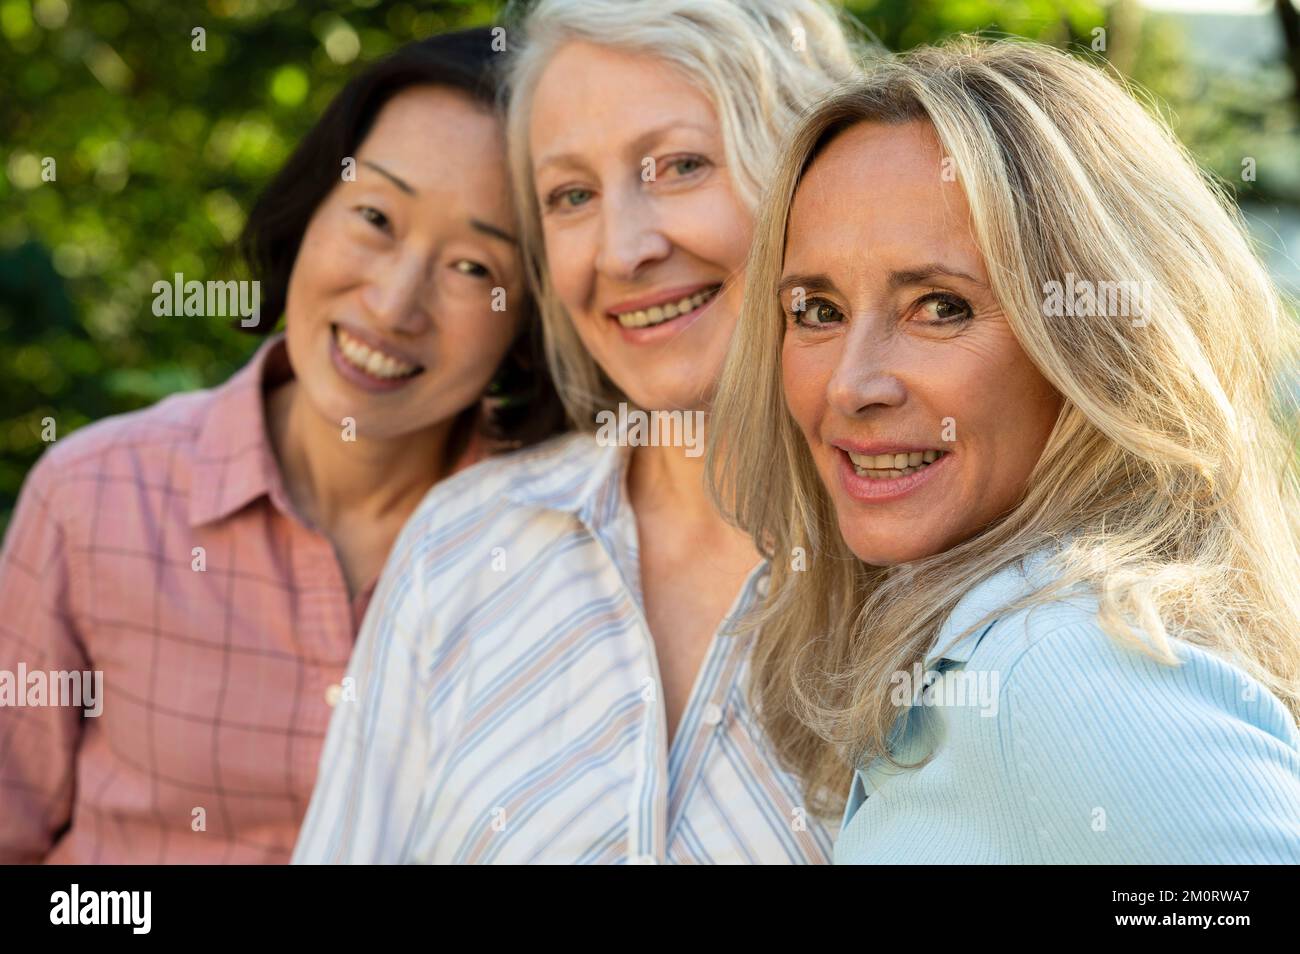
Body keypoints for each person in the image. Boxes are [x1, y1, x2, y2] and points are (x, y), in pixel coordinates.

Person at [293, 0, 863, 864]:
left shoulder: (938, 565)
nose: (620, 250)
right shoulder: (462, 544)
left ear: (807, 171)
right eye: (571, 195)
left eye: (678, 166)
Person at [708, 37, 1300, 863]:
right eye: (816, 310)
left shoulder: (1064, 672)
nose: (849, 385)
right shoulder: (985, 659)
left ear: (1100, 345)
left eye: (940, 307)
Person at [0, 27, 562, 863]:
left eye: (476, 268)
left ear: (529, 324)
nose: (394, 302)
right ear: (308, 215)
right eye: (375, 215)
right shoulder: (94, 495)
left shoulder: (561, 550)